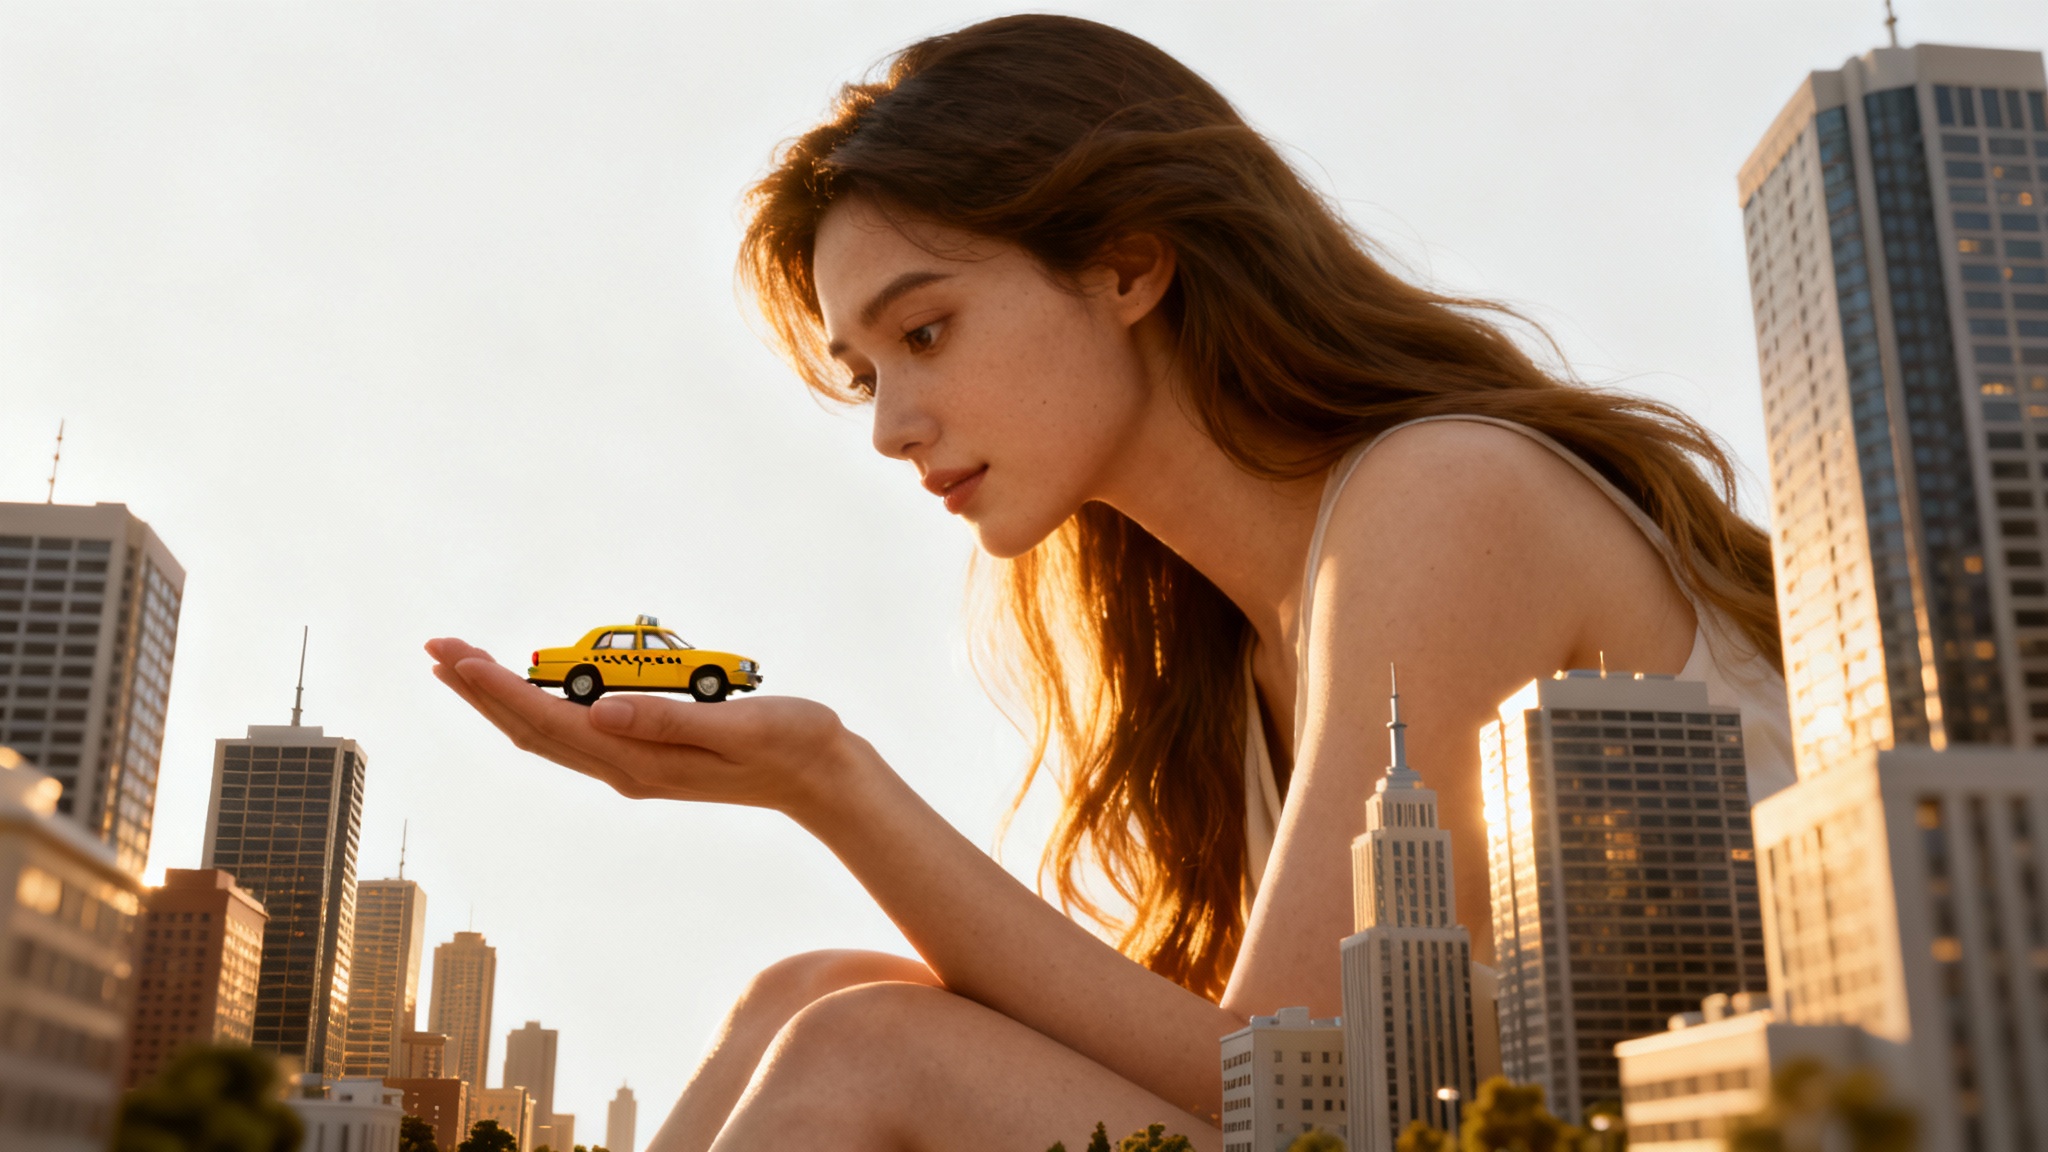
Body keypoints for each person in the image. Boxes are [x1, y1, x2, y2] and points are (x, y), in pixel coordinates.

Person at [426, 14, 1789, 1151]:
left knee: (867, 1052)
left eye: (928, 330)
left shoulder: (1447, 495)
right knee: (808, 988)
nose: (892, 424)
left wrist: (828, 782)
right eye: (866, 373)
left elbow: (1283, 1089)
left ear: (1130, 264)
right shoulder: (1230, 648)